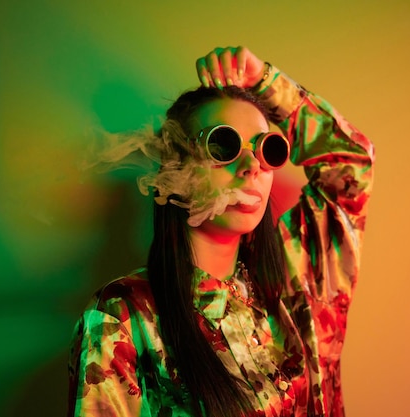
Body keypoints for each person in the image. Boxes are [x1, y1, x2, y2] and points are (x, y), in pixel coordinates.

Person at [68, 45, 375, 417]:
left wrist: (264, 81)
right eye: (223, 145)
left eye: (267, 150)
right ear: (175, 169)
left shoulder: (298, 276)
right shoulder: (124, 317)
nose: (251, 167)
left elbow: (351, 165)